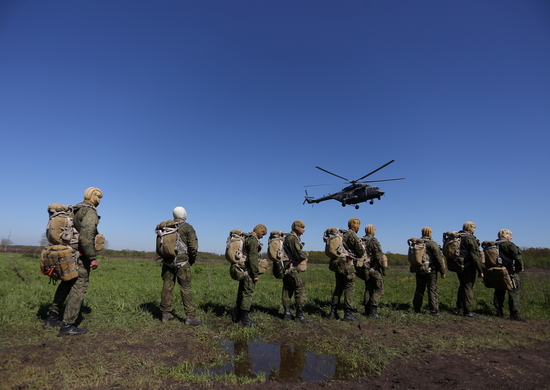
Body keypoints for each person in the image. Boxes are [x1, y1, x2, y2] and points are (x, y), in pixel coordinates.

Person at [43, 187, 103, 336]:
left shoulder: (74, 208)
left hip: (67, 254)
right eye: (99, 197)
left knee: (66, 282)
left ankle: (53, 316)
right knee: (80, 286)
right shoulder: (89, 212)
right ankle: (68, 324)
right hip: (78, 256)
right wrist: (92, 258)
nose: (99, 200)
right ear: (93, 197)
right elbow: (86, 236)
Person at [160, 206, 202, 326]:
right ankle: (190, 316)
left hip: (167, 261)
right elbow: (193, 247)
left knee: (167, 286)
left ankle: (165, 314)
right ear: (184, 215)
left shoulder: (166, 227)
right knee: (185, 288)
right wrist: (192, 260)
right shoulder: (188, 227)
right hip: (182, 262)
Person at [328, 218, 364, 321]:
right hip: (347, 264)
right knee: (349, 288)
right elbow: (360, 252)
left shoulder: (341, 234)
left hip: (338, 264)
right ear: (356, 226)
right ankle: (348, 314)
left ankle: (333, 312)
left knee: (338, 287)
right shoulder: (352, 235)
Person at [236, 224, 267, 327]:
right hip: (248, 271)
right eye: (262, 233)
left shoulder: (247, 237)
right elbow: (253, 259)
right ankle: (244, 319)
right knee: (248, 293)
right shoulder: (253, 241)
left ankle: (238, 315)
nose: (262, 236)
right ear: (258, 231)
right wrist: (255, 274)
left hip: (242, 269)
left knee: (241, 292)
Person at [282, 220, 312, 323]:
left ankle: (287, 314)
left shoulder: (289, 237)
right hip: (291, 267)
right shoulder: (292, 238)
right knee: (300, 287)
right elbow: (298, 254)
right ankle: (299, 315)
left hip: (285, 267)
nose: (304, 229)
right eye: (302, 227)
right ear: (297, 228)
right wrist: (306, 255)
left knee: (287, 289)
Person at [412, 227, 447, 316]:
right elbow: (438, 258)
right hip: (431, 270)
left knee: (419, 289)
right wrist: (442, 271)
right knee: (432, 290)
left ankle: (416, 308)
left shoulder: (417, 243)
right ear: (430, 233)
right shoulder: (432, 243)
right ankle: (434, 311)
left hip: (419, 269)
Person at [494, 229, 526, 322]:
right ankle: (514, 314)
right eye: (510, 235)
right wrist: (517, 271)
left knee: (499, 291)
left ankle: (499, 311)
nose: (511, 237)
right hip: (509, 272)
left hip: (498, 272)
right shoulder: (510, 245)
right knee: (514, 292)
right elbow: (518, 259)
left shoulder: (494, 245)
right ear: (507, 236)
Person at [454, 221, 484, 318]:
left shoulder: (457, 237)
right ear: (471, 229)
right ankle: (468, 311)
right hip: (468, 266)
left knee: (462, 285)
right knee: (468, 287)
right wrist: (480, 270)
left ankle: (460, 308)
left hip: (458, 265)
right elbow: (475, 256)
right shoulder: (469, 238)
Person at [361, 224, 386, 318]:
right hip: (373, 268)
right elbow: (379, 257)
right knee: (379, 288)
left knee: (368, 288)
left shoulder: (361, 240)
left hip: (363, 268)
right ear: (373, 231)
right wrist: (383, 269)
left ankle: (367, 310)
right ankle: (373, 310)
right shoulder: (373, 241)